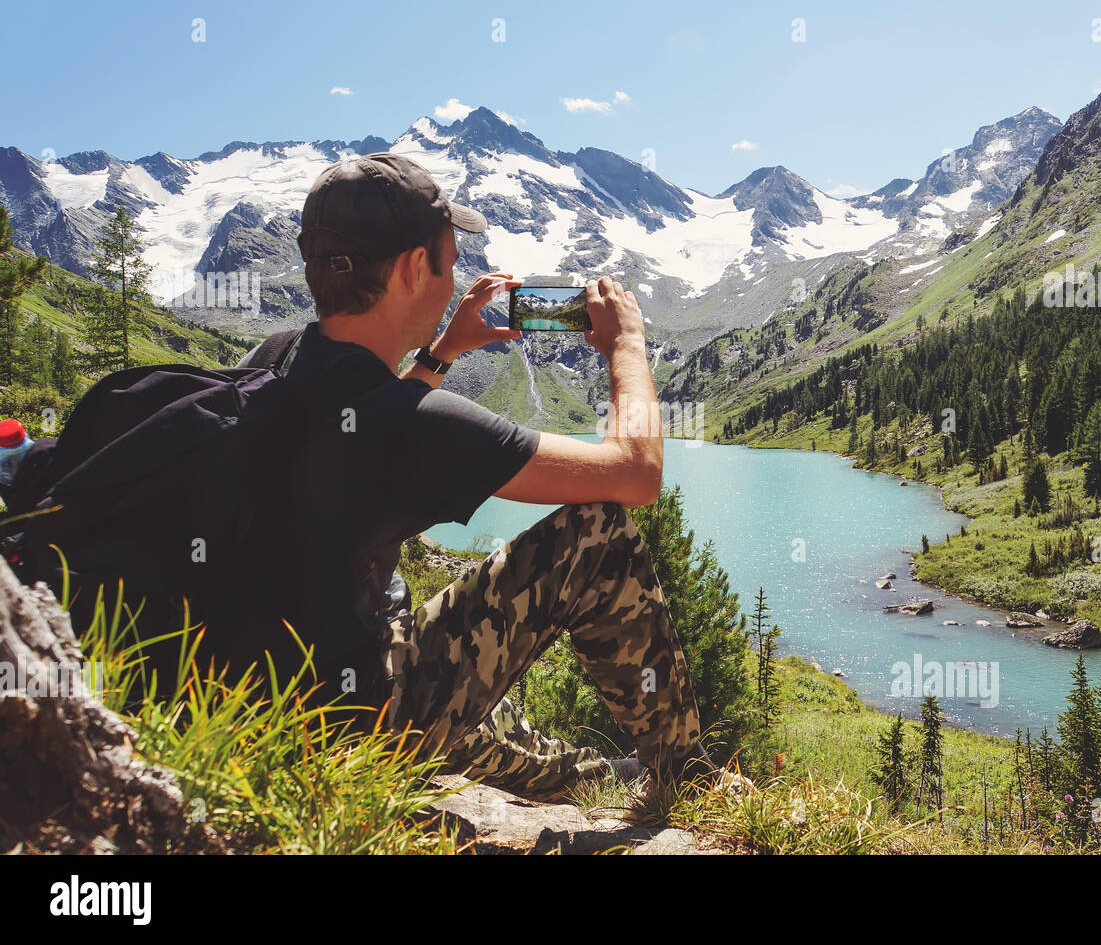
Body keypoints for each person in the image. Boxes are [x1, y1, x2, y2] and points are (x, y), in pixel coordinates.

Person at [237, 152, 742, 800]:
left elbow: (368, 441)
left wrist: (442, 352)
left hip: (271, 705)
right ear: (417, 267)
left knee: (503, 725)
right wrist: (628, 348)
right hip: (360, 724)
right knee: (596, 534)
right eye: (451, 257)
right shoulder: (413, 420)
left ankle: (594, 778)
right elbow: (636, 476)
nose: (455, 276)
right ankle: (684, 772)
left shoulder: (271, 360)